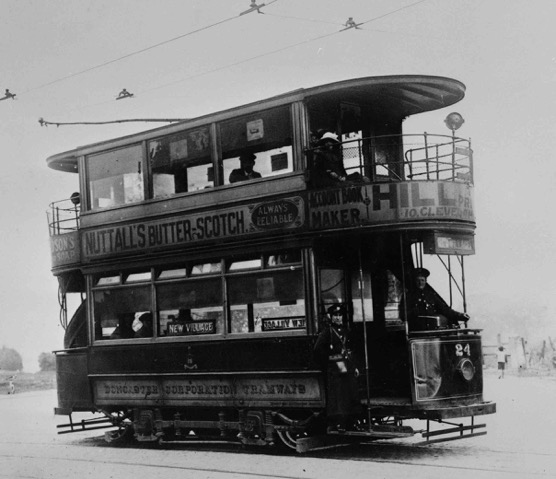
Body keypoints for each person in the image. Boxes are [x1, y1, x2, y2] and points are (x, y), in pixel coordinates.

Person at [314, 303, 360, 432]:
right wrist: (329, 362)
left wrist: (354, 367)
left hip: (347, 367)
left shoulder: (346, 331)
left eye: (340, 315)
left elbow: (350, 350)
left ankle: (351, 422)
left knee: (351, 394)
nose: (338, 318)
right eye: (335, 316)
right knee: (339, 398)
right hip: (335, 370)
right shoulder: (327, 332)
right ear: (331, 317)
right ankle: (339, 423)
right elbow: (318, 350)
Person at [401, 267, 470, 329]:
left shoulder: (431, 296)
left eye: (422, 280)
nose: (420, 283)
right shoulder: (408, 296)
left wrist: (460, 315)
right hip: (417, 331)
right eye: (418, 280)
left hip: (432, 330)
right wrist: (414, 313)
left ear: (426, 281)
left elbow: (444, 309)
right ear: (414, 281)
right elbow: (403, 315)